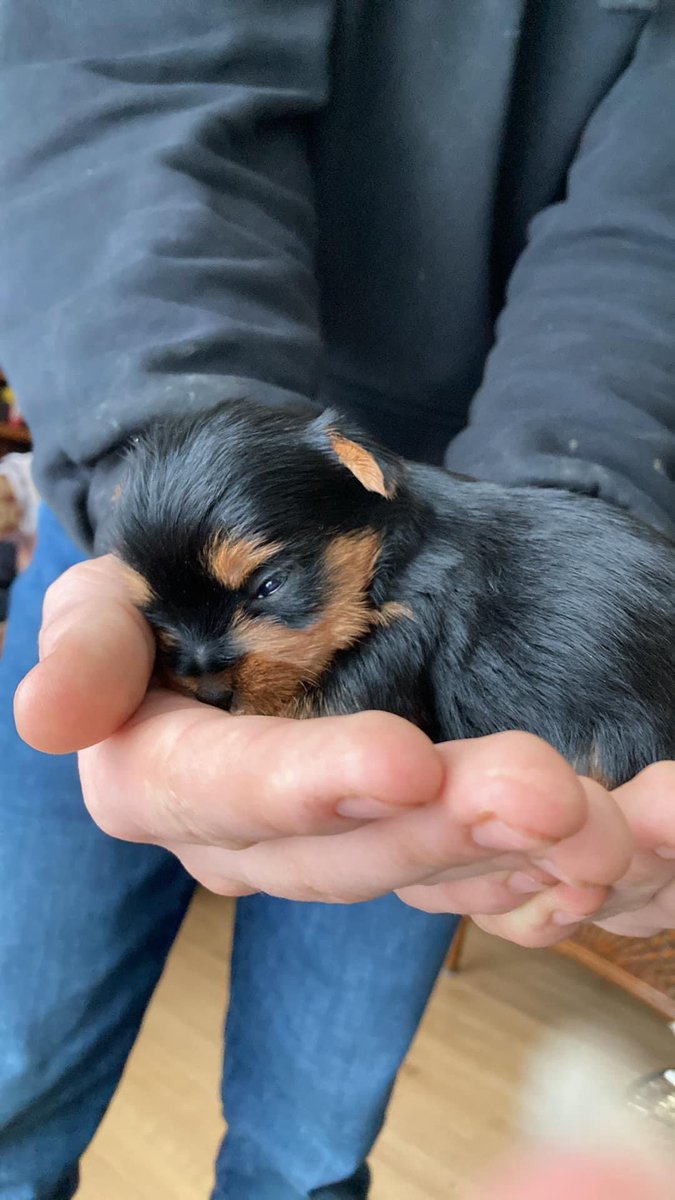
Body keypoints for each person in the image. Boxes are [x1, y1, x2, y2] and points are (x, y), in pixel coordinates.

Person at [0, 3, 674, 1198]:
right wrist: (150, 435)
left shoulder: (410, 589)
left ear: (367, 498)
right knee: (15, 1052)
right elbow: (117, 68)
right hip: (140, 467)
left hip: (517, 472)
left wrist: (585, 475)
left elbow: (653, 220)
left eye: (266, 591)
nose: (207, 669)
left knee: (313, 1137)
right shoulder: (202, 590)